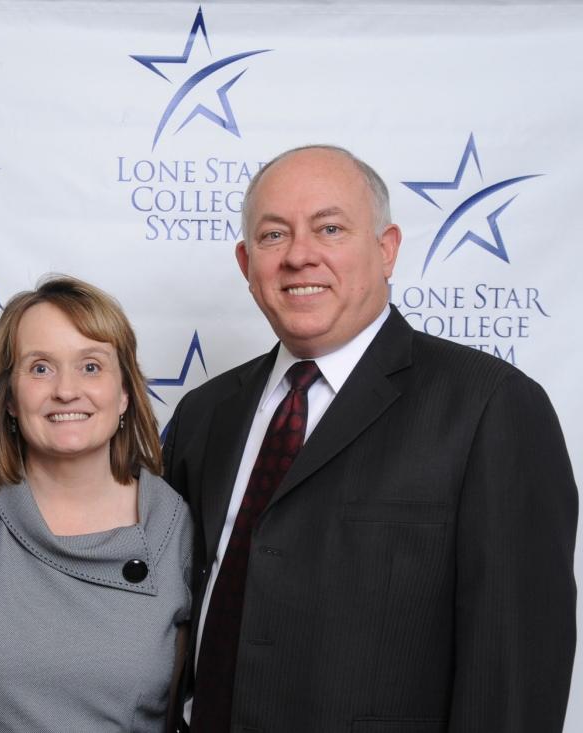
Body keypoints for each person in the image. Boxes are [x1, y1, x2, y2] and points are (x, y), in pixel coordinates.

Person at [163, 145, 577, 733]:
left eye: (329, 228)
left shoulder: (491, 406)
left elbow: (512, 673)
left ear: (386, 250)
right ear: (245, 262)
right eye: (273, 236)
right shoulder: (206, 413)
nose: (299, 256)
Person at [0, 276, 193, 732]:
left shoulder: (176, 523)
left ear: (125, 394)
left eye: (91, 367)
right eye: (40, 368)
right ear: (10, 398)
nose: (66, 390)